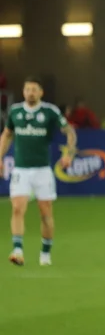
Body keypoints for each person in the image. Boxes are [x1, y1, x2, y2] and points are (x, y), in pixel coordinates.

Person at [0, 78, 76, 266]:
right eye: (27, 89)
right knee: (17, 208)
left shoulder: (50, 111)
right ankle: (17, 250)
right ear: (23, 92)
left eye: (34, 89)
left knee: (45, 212)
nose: (30, 93)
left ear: (41, 93)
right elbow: (7, 134)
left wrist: (69, 154)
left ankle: (45, 253)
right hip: (21, 169)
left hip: (43, 170)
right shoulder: (15, 111)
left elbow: (70, 132)